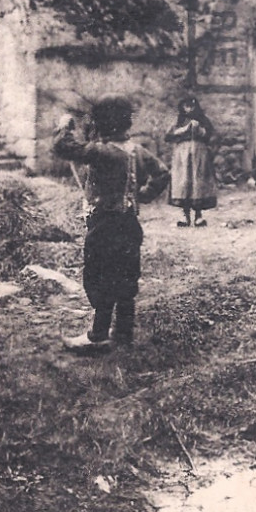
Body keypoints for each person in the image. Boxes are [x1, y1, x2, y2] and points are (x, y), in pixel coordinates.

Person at [54, 97, 170, 354]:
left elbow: (64, 147)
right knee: (127, 278)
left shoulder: (100, 151)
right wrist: (143, 194)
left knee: (101, 277)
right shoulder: (136, 150)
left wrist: (64, 127)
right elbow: (162, 173)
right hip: (129, 224)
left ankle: (97, 337)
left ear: (103, 123)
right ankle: (123, 335)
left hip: (104, 226)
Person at [165, 95, 219, 227]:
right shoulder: (178, 121)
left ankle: (198, 216)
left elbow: (212, 136)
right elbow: (168, 136)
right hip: (182, 156)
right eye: (186, 106)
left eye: (191, 106)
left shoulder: (203, 120)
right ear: (182, 107)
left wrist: (200, 130)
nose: (189, 109)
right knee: (184, 183)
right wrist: (185, 129)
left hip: (199, 154)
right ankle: (185, 215)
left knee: (197, 183)